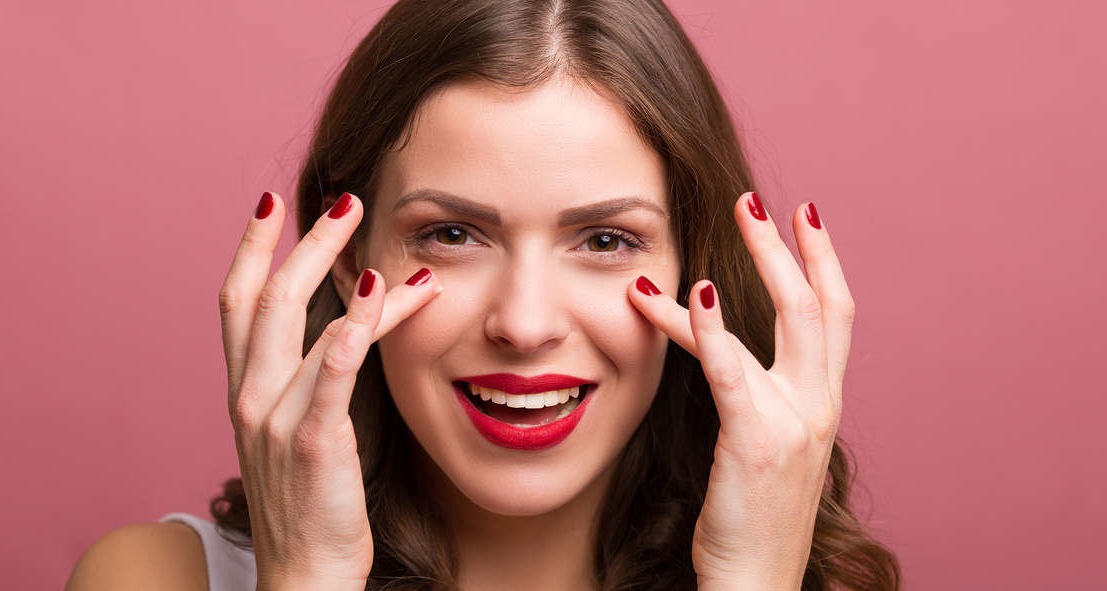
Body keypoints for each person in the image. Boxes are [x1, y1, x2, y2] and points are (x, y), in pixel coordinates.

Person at [66, 0, 900, 589]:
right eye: (452, 234)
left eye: (605, 241)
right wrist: (307, 580)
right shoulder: (155, 579)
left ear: (695, 266)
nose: (525, 324)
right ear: (347, 251)